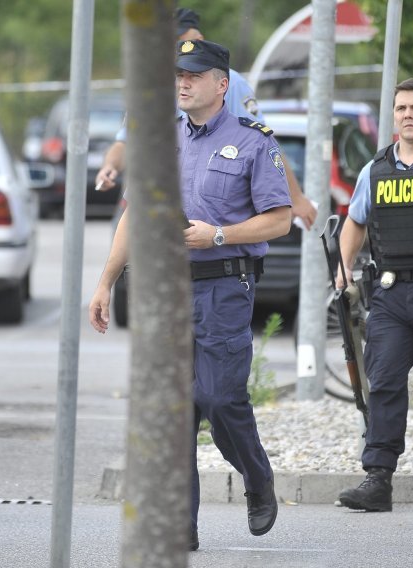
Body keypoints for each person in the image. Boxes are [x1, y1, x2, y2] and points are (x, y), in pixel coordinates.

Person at [89, 39, 290, 550]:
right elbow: (134, 214)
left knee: (220, 399)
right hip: (168, 291)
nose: (182, 82)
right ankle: (182, 528)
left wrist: (218, 234)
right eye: (178, 73)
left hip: (225, 286)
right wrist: (106, 281)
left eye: (194, 75)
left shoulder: (253, 141)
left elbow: (280, 219)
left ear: (221, 84)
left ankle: (257, 478)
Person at [335, 78, 413, 512]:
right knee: (385, 381)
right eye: (400, 108)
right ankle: (378, 479)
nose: (407, 115)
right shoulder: (376, 168)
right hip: (391, 293)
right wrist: (343, 270)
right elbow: (354, 221)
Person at [95, 7, 317, 230]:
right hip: (152, 197)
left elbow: (263, 145)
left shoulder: (228, 83)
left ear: (197, 38)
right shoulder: (150, 89)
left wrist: (296, 199)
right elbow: (126, 140)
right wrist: (110, 166)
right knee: (126, 244)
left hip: (208, 201)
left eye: (178, 38)